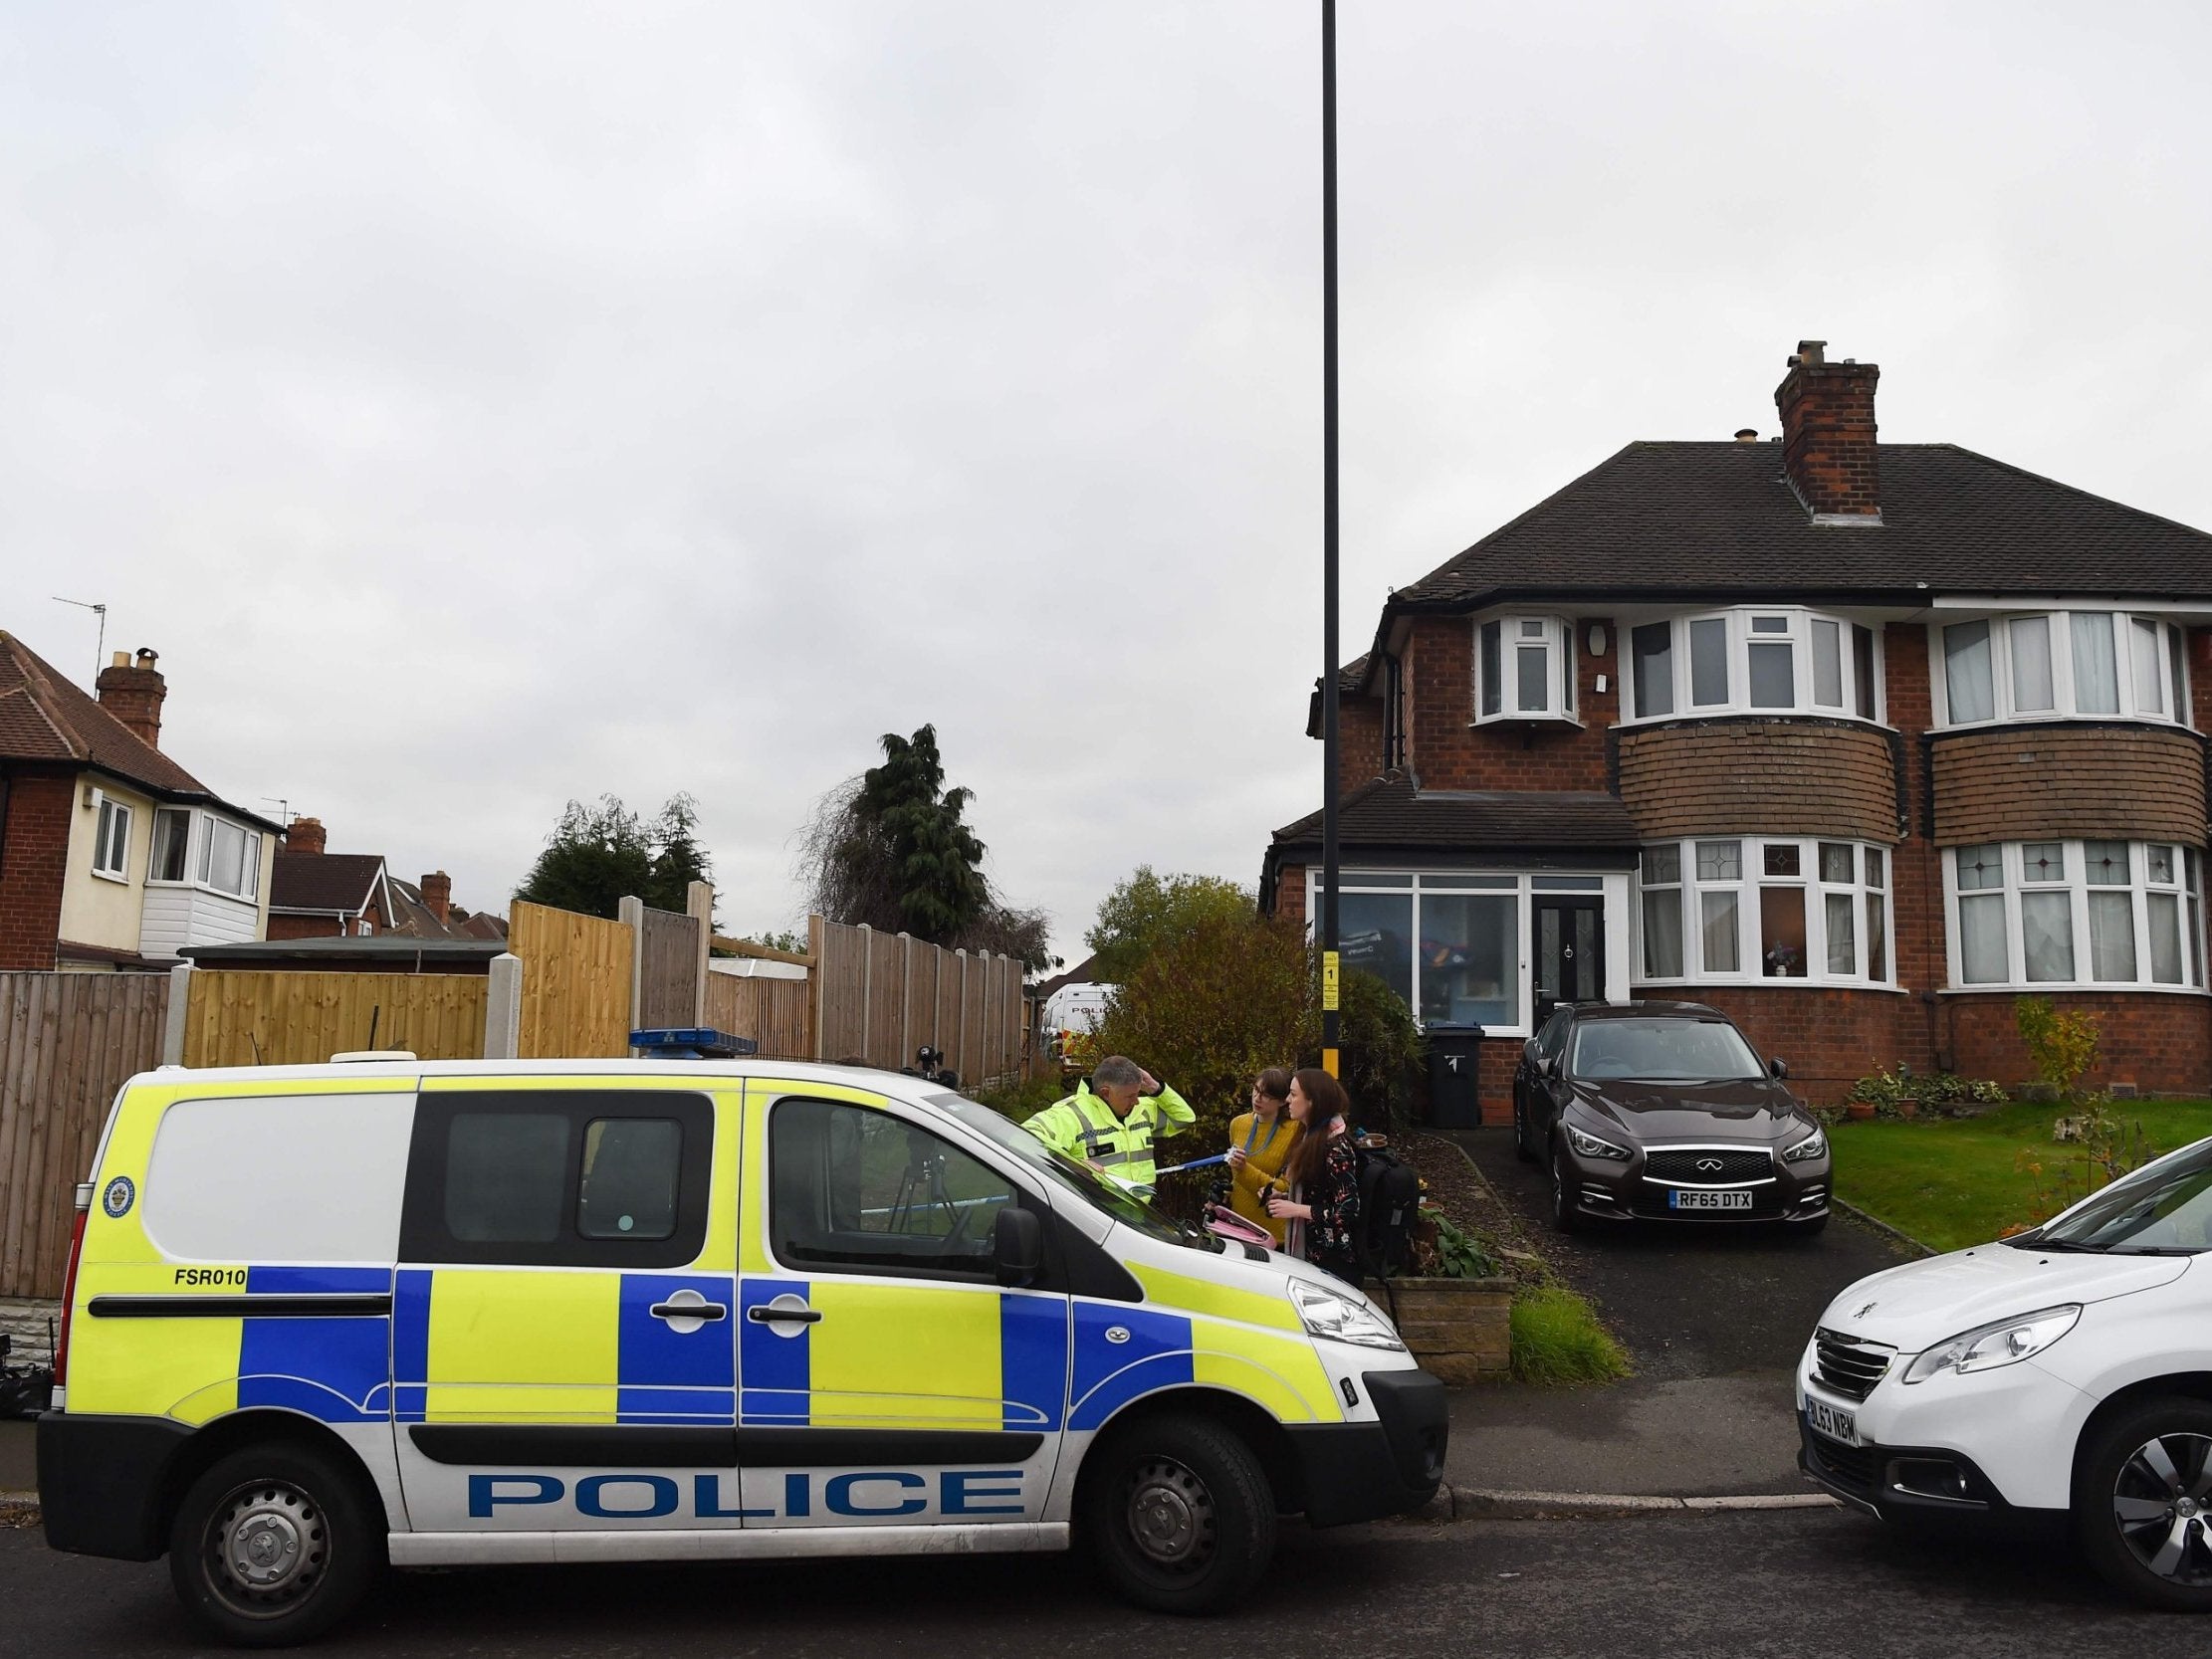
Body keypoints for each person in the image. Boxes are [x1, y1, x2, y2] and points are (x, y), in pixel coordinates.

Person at [1021, 1054, 1195, 1195]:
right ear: (1105, 1093)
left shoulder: (1142, 1110)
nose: (1136, 1101)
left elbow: (1184, 1119)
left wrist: (1156, 1089)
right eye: (1130, 1096)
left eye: (1138, 1093)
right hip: (1097, 1220)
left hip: (1141, 1219)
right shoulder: (1071, 1114)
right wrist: (1071, 1163)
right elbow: (1022, 1138)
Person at [1266, 1068, 1362, 1283]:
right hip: (1311, 1257)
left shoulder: (1335, 1147)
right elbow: (1318, 1194)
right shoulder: (1308, 1137)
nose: (1288, 1100)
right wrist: (1284, 1200)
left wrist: (1296, 1209)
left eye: (1293, 1094)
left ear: (1312, 1100)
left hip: (1332, 1263)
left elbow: (1348, 1210)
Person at [1224, 1068, 1302, 1242]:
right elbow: (1235, 1176)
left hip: (1273, 1230)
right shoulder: (1238, 1123)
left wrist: (1245, 1168)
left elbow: (1286, 1188)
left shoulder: (1295, 1130)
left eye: (1267, 1095)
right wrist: (1225, 1193)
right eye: (1256, 1090)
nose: (1257, 1098)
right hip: (1237, 1224)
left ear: (1283, 1101)